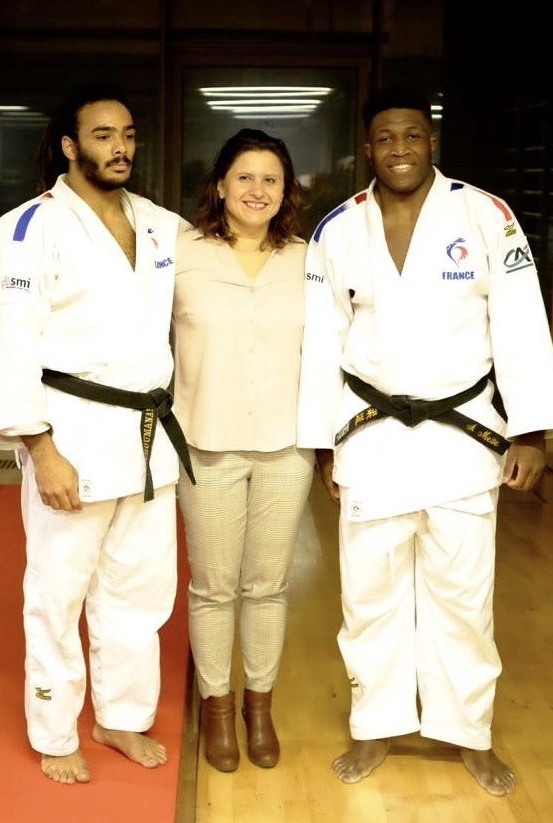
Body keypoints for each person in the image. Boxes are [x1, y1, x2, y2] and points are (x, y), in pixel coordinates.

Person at [297, 86, 553, 796]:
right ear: (368, 148)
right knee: (369, 594)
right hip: (371, 435)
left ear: (431, 141)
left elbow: (522, 324)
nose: (400, 149)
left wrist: (532, 432)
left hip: (462, 438)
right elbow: (322, 343)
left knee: (463, 597)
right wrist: (323, 445)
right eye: (385, 138)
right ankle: (374, 724)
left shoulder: (487, 215)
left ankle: (469, 732)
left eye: (411, 135)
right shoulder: (337, 230)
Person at [0, 85, 193, 785]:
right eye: (102, 136)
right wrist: (39, 448)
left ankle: (121, 716)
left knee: (141, 589)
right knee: (59, 592)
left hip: (149, 436)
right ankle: (55, 729)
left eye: (127, 134)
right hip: (72, 434)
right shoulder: (22, 232)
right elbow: (7, 347)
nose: (120, 148)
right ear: (69, 146)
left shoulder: (162, 225)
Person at [172, 129, 315, 772]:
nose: (258, 190)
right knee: (213, 587)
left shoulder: (308, 260)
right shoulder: (182, 253)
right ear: (221, 185)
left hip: (287, 447)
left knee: (267, 585)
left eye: (271, 179)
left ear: (286, 191)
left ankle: (260, 707)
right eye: (245, 177)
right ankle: (217, 708)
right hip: (206, 445)